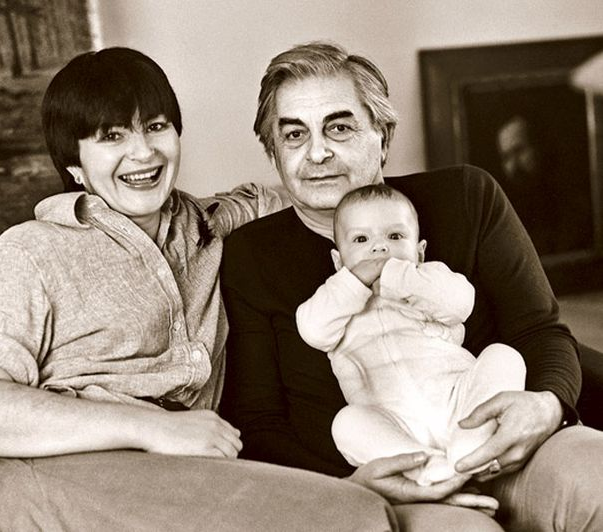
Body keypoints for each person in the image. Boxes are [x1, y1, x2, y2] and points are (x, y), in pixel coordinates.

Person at [0, 47, 401, 531]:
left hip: (180, 485)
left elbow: (320, 187)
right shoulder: (29, 252)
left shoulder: (216, 226)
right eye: (111, 136)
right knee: (352, 515)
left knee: (353, 507)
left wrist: (373, 169)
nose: (143, 153)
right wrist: (156, 428)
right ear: (73, 163)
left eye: (156, 127)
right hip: (56, 482)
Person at [220, 41, 603, 531]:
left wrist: (547, 406)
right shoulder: (249, 256)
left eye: (339, 127)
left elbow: (541, 330)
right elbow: (259, 422)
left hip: (514, 446)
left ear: (382, 136)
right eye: (294, 134)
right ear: (273, 152)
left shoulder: (466, 196)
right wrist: (349, 484)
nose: (317, 152)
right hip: (387, 484)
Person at [296, 183, 526, 487]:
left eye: (395, 236)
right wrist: (352, 282)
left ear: (420, 251)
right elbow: (312, 329)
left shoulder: (429, 278)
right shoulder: (335, 299)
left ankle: (473, 440)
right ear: (339, 262)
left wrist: (399, 278)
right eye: (361, 239)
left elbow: (460, 304)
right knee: (345, 424)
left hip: (459, 401)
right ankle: (426, 465)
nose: (379, 248)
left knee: (504, 355)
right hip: (394, 420)